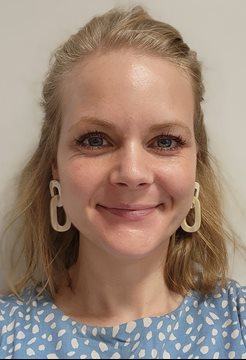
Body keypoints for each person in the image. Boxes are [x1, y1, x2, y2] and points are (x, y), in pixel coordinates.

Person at [0, 5, 245, 359]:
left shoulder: (237, 324)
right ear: (55, 165)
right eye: (96, 140)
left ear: (196, 163)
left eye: (165, 142)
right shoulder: (7, 335)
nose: (132, 173)